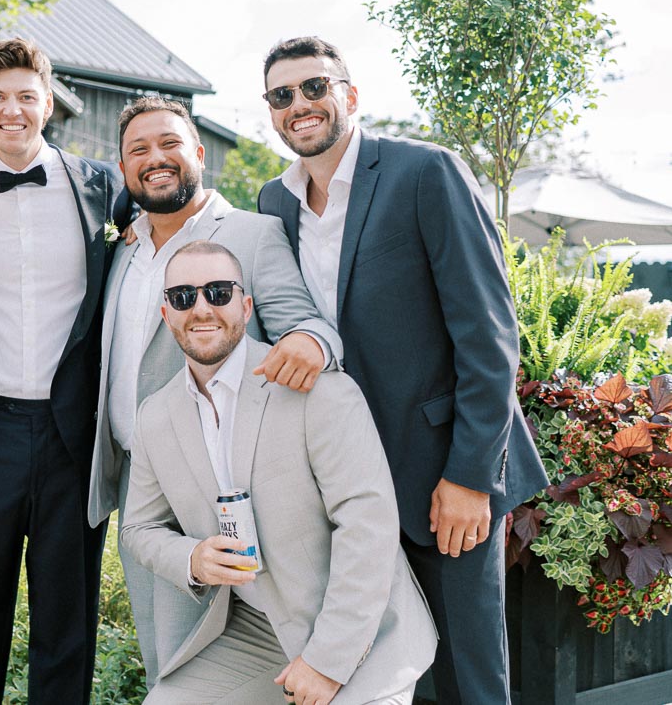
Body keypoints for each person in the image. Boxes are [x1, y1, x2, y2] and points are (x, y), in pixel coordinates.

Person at [255, 36, 548, 704]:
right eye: (281, 95)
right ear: (270, 113)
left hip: (441, 476)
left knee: (468, 681)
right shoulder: (274, 204)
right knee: (384, 679)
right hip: (346, 483)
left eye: (314, 88)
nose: (299, 104)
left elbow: (489, 335)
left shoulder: (426, 173)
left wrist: (470, 477)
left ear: (349, 97)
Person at [87, 96, 342, 685]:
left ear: (199, 153)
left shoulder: (252, 236)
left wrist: (313, 344)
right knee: (168, 660)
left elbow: (306, 323)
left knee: (261, 659)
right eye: (139, 151)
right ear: (124, 172)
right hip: (143, 489)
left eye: (169, 144)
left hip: (238, 486)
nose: (156, 159)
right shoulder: (122, 251)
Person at [121, 240, 436, 704]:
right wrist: (191, 558)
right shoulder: (154, 416)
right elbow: (138, 528)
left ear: (246, 306)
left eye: (219, 292)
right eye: (184, 297)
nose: (202, 308)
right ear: (167, 314)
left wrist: (326, 662)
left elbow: (369, 528)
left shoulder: (321, 392)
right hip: (256, 632)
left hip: (361, 633)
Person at [0, 37, 122, 704]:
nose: (13, 110)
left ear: (49, 103)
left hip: (74, 436)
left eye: (26, 97)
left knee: (67, 625)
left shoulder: (103, 188)